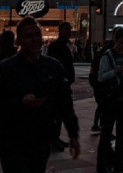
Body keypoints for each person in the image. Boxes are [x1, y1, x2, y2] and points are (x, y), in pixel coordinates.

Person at [0, 16, 80, 173]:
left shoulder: (53, 67)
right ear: (19, 41)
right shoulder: (6, 69)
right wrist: (20, 102)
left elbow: (65, 103)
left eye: (37, 35)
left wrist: (73, 134)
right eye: (28, 36)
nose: (34, 39)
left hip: (41, 138)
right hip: (13, 139)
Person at [96, 26, 123, 173]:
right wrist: (116, 71)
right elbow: (101, 76)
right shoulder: (107, 56)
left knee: (121, 132)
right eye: (122, 43)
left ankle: (118, 162)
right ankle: (101, 163)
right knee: (106, 132)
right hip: (111, 98)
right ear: (116, 40)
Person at [46, 21, 76, 151]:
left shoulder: (64, 45)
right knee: (57, 114)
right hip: (58, 84)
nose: (69, 31)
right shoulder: (56, 46)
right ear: (60, 30)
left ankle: (56, 138)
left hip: (63, 82)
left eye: (69, 29)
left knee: (60, 114)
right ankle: (53, 139)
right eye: (66, 29)